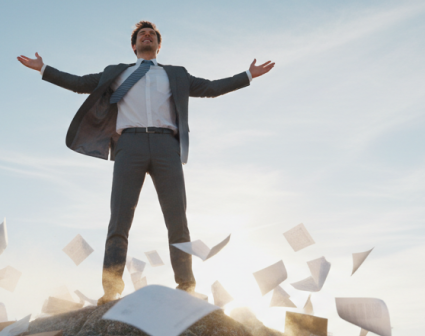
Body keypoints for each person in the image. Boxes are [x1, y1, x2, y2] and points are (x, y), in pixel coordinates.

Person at [17, 21, 274, 304]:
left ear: (159, 45)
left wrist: (248, 75)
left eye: (152, 34)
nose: (147, 36)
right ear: (134, 45)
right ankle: (111, 290)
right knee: (119, 220)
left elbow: (212, 88)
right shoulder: (116, 73)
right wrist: (43, 69)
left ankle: (186, 287)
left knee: (178, 219)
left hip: (167, 147)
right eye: (142, 34)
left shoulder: (175, 74)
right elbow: (79, 84)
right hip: (129, 146)